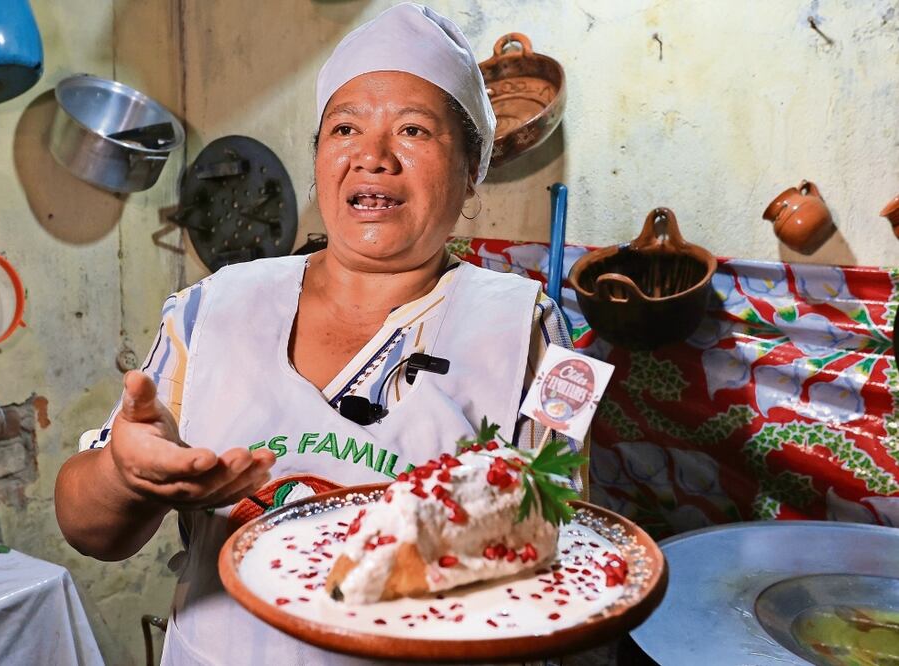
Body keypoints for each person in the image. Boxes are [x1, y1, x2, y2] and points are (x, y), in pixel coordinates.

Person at [55, 4, 577, 664]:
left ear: (472, 169)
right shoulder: (213, 309)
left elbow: (561, 537)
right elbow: (88, 527)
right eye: (345, 128)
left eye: (413, 130)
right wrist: (126, 477)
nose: (373, 157)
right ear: (320, 156)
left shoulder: (528, 329)